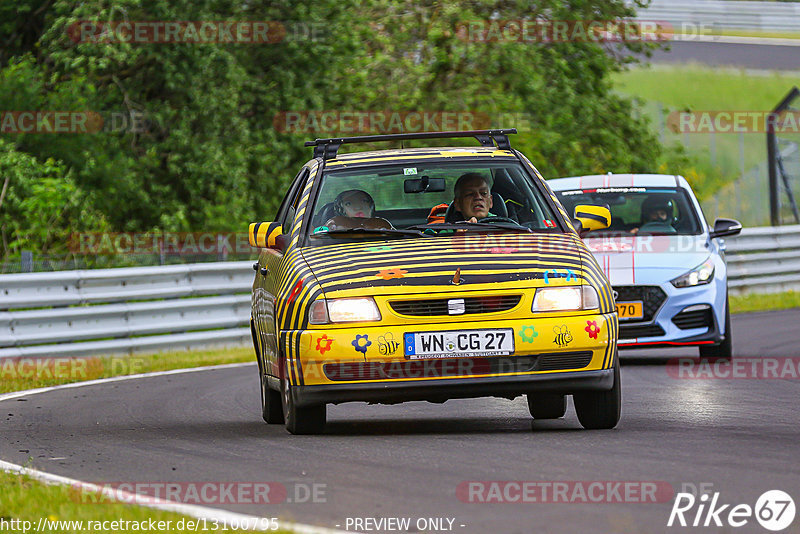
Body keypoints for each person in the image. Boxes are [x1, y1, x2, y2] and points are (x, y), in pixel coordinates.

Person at [324, 190, 392, 230]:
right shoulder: (335, 223)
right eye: (348, 204)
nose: (358, 207)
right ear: (341, 210)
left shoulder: (381, 224)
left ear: (371, 206)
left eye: (364, 201)